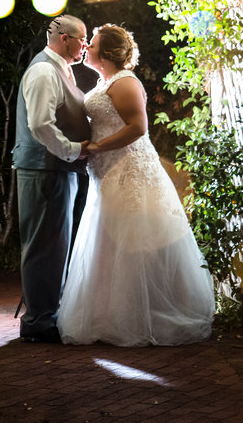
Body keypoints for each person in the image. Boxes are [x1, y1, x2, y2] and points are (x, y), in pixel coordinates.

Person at [57, 24, 215, 346]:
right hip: (107, 175)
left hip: (128, 171)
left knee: (131, 241)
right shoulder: (105, 82)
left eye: (94, 43)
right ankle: (109, 316)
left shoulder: (126, 82)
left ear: (108, 52)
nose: (87, 46)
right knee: (108, 243)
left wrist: (98, 147)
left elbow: (138, 127)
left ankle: (143, 315)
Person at [12, 14, 91, 343]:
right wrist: (74, 149)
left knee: (54, 245)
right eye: (82, 39)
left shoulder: (60, 67)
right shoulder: (45, 70)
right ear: (64, 39)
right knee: (44, 246)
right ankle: (39, 322)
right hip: (45, 167)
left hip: (56, 167)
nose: (85, 46)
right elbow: (41, 124)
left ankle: (45, 315)